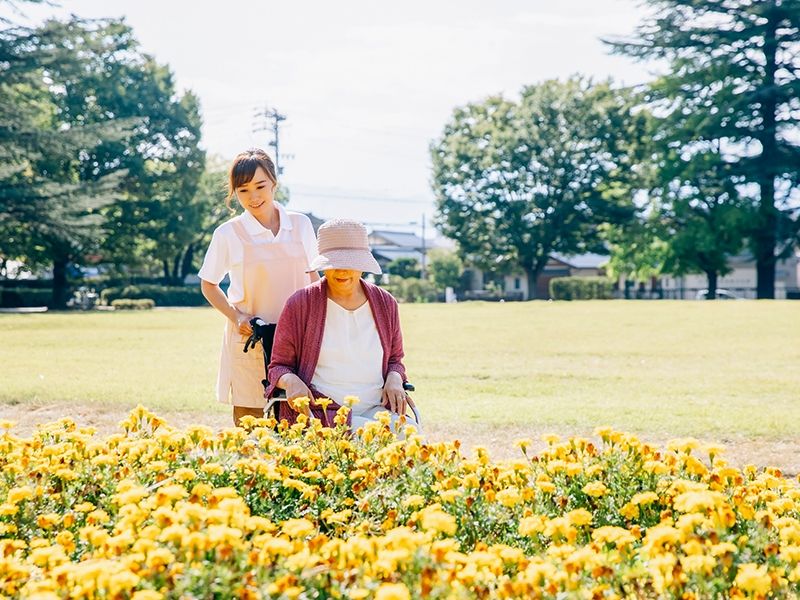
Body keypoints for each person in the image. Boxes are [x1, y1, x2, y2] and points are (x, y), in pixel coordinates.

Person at [198, 148, 318, 426]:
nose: (253, 196)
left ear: (274, 183)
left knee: (303, 418)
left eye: (260, 186)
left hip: (299, 337)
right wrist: (236, 316)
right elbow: (209, 284)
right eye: (243, 190)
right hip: (251, 337)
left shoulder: (300, 225)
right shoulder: (228, 233)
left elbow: (314, 278)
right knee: (251, 420)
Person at [266, 219, 420, 433]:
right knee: (381, 438)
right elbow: (278, 367)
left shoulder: (386, 304)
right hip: (323, 413)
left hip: (378, 409)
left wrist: (395, 377)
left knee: (413, 437)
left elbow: (395, 360)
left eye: (350, 262)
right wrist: (291, 381)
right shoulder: (300, 304)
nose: (341, 270)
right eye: (333, 263)